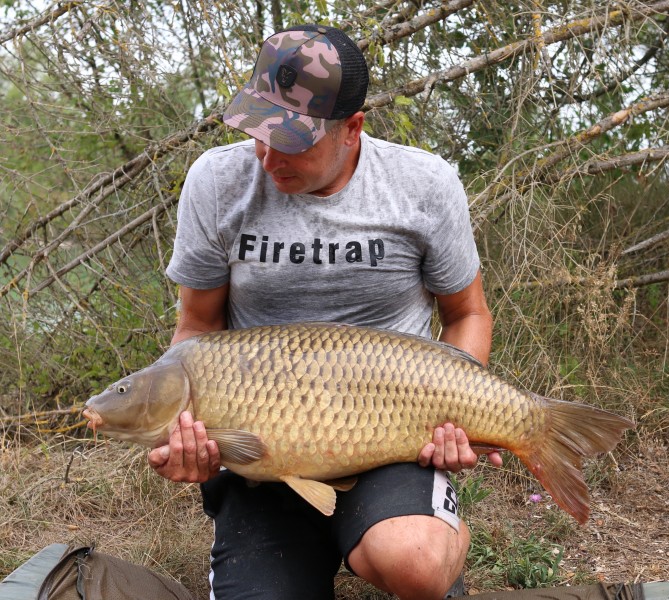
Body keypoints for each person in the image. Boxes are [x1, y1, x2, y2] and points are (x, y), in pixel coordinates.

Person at [149, 24, 500, 600]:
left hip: (390, 428)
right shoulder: (216, 181)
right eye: (259, 133)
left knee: (414, 564)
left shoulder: (423, 184)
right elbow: (198, 327)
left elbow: (468, 313)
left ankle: (438, 536)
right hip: (263, 436)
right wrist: (183, 430)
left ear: (351, 129)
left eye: (290, 142)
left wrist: (455, 414)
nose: (266, 158)